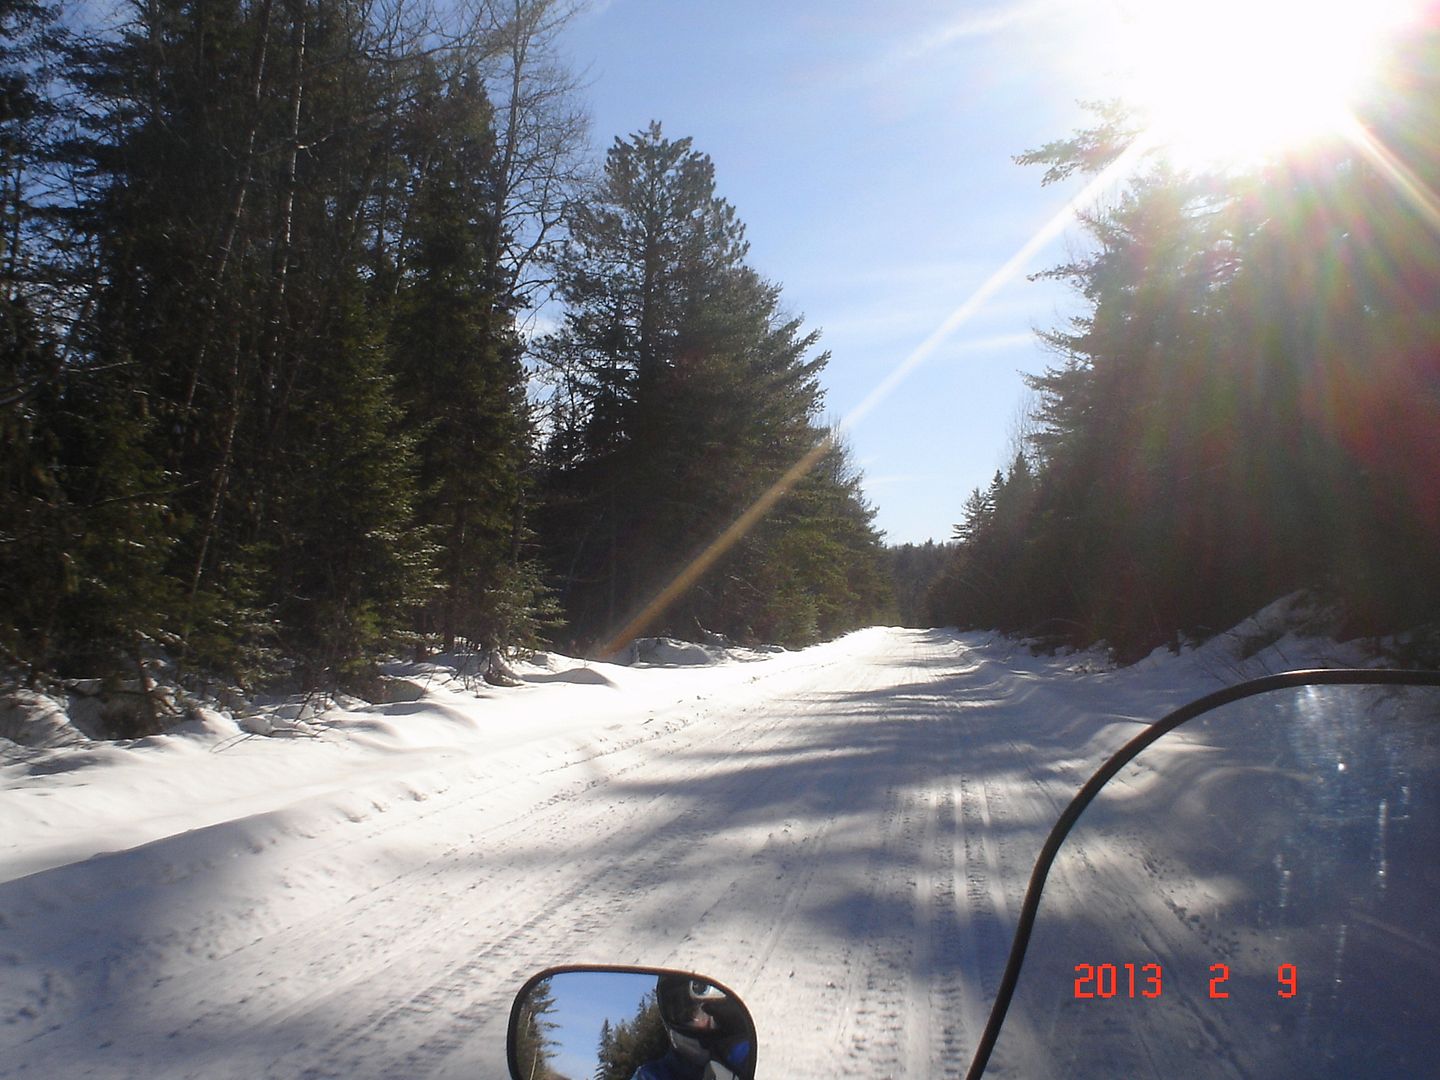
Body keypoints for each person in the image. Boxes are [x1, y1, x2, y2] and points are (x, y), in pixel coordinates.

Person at [632, 975, 755, 1080]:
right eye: (688, 1011)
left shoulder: (751, 1050)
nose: (706, 1020)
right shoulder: (652, 1076)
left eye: (716, 1006)